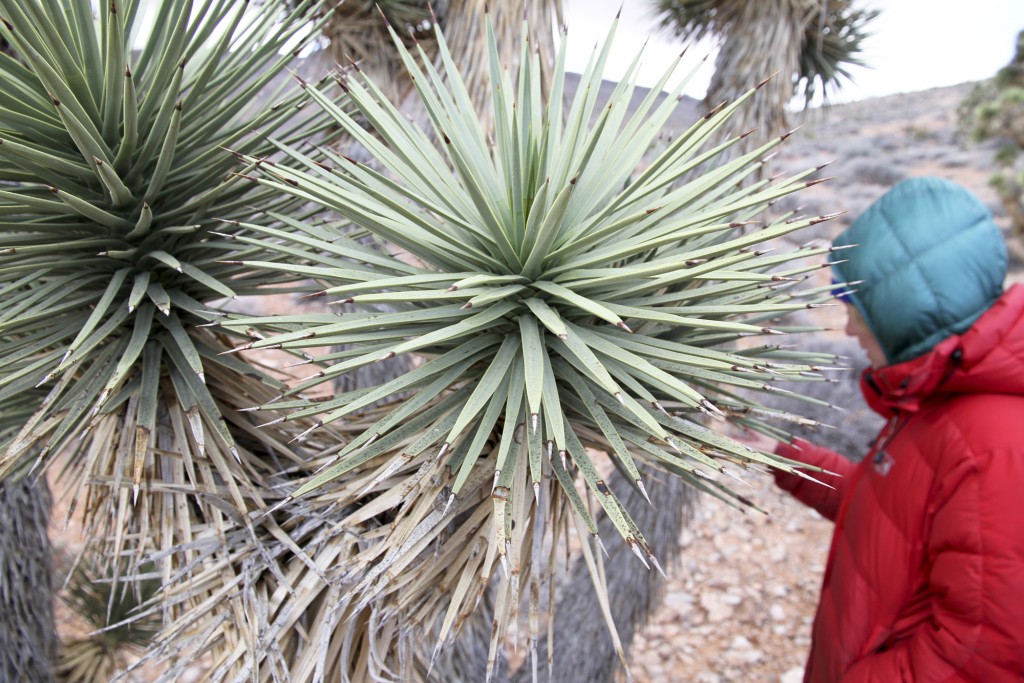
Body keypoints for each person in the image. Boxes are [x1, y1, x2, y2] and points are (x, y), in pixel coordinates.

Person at [756, 176, 1024, 682]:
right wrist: (786, 457)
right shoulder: (939, 395)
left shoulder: (993, 448)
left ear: (909, 318)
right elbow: (886, 511)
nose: (849, 331)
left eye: (858, 314)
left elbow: (979, 661)